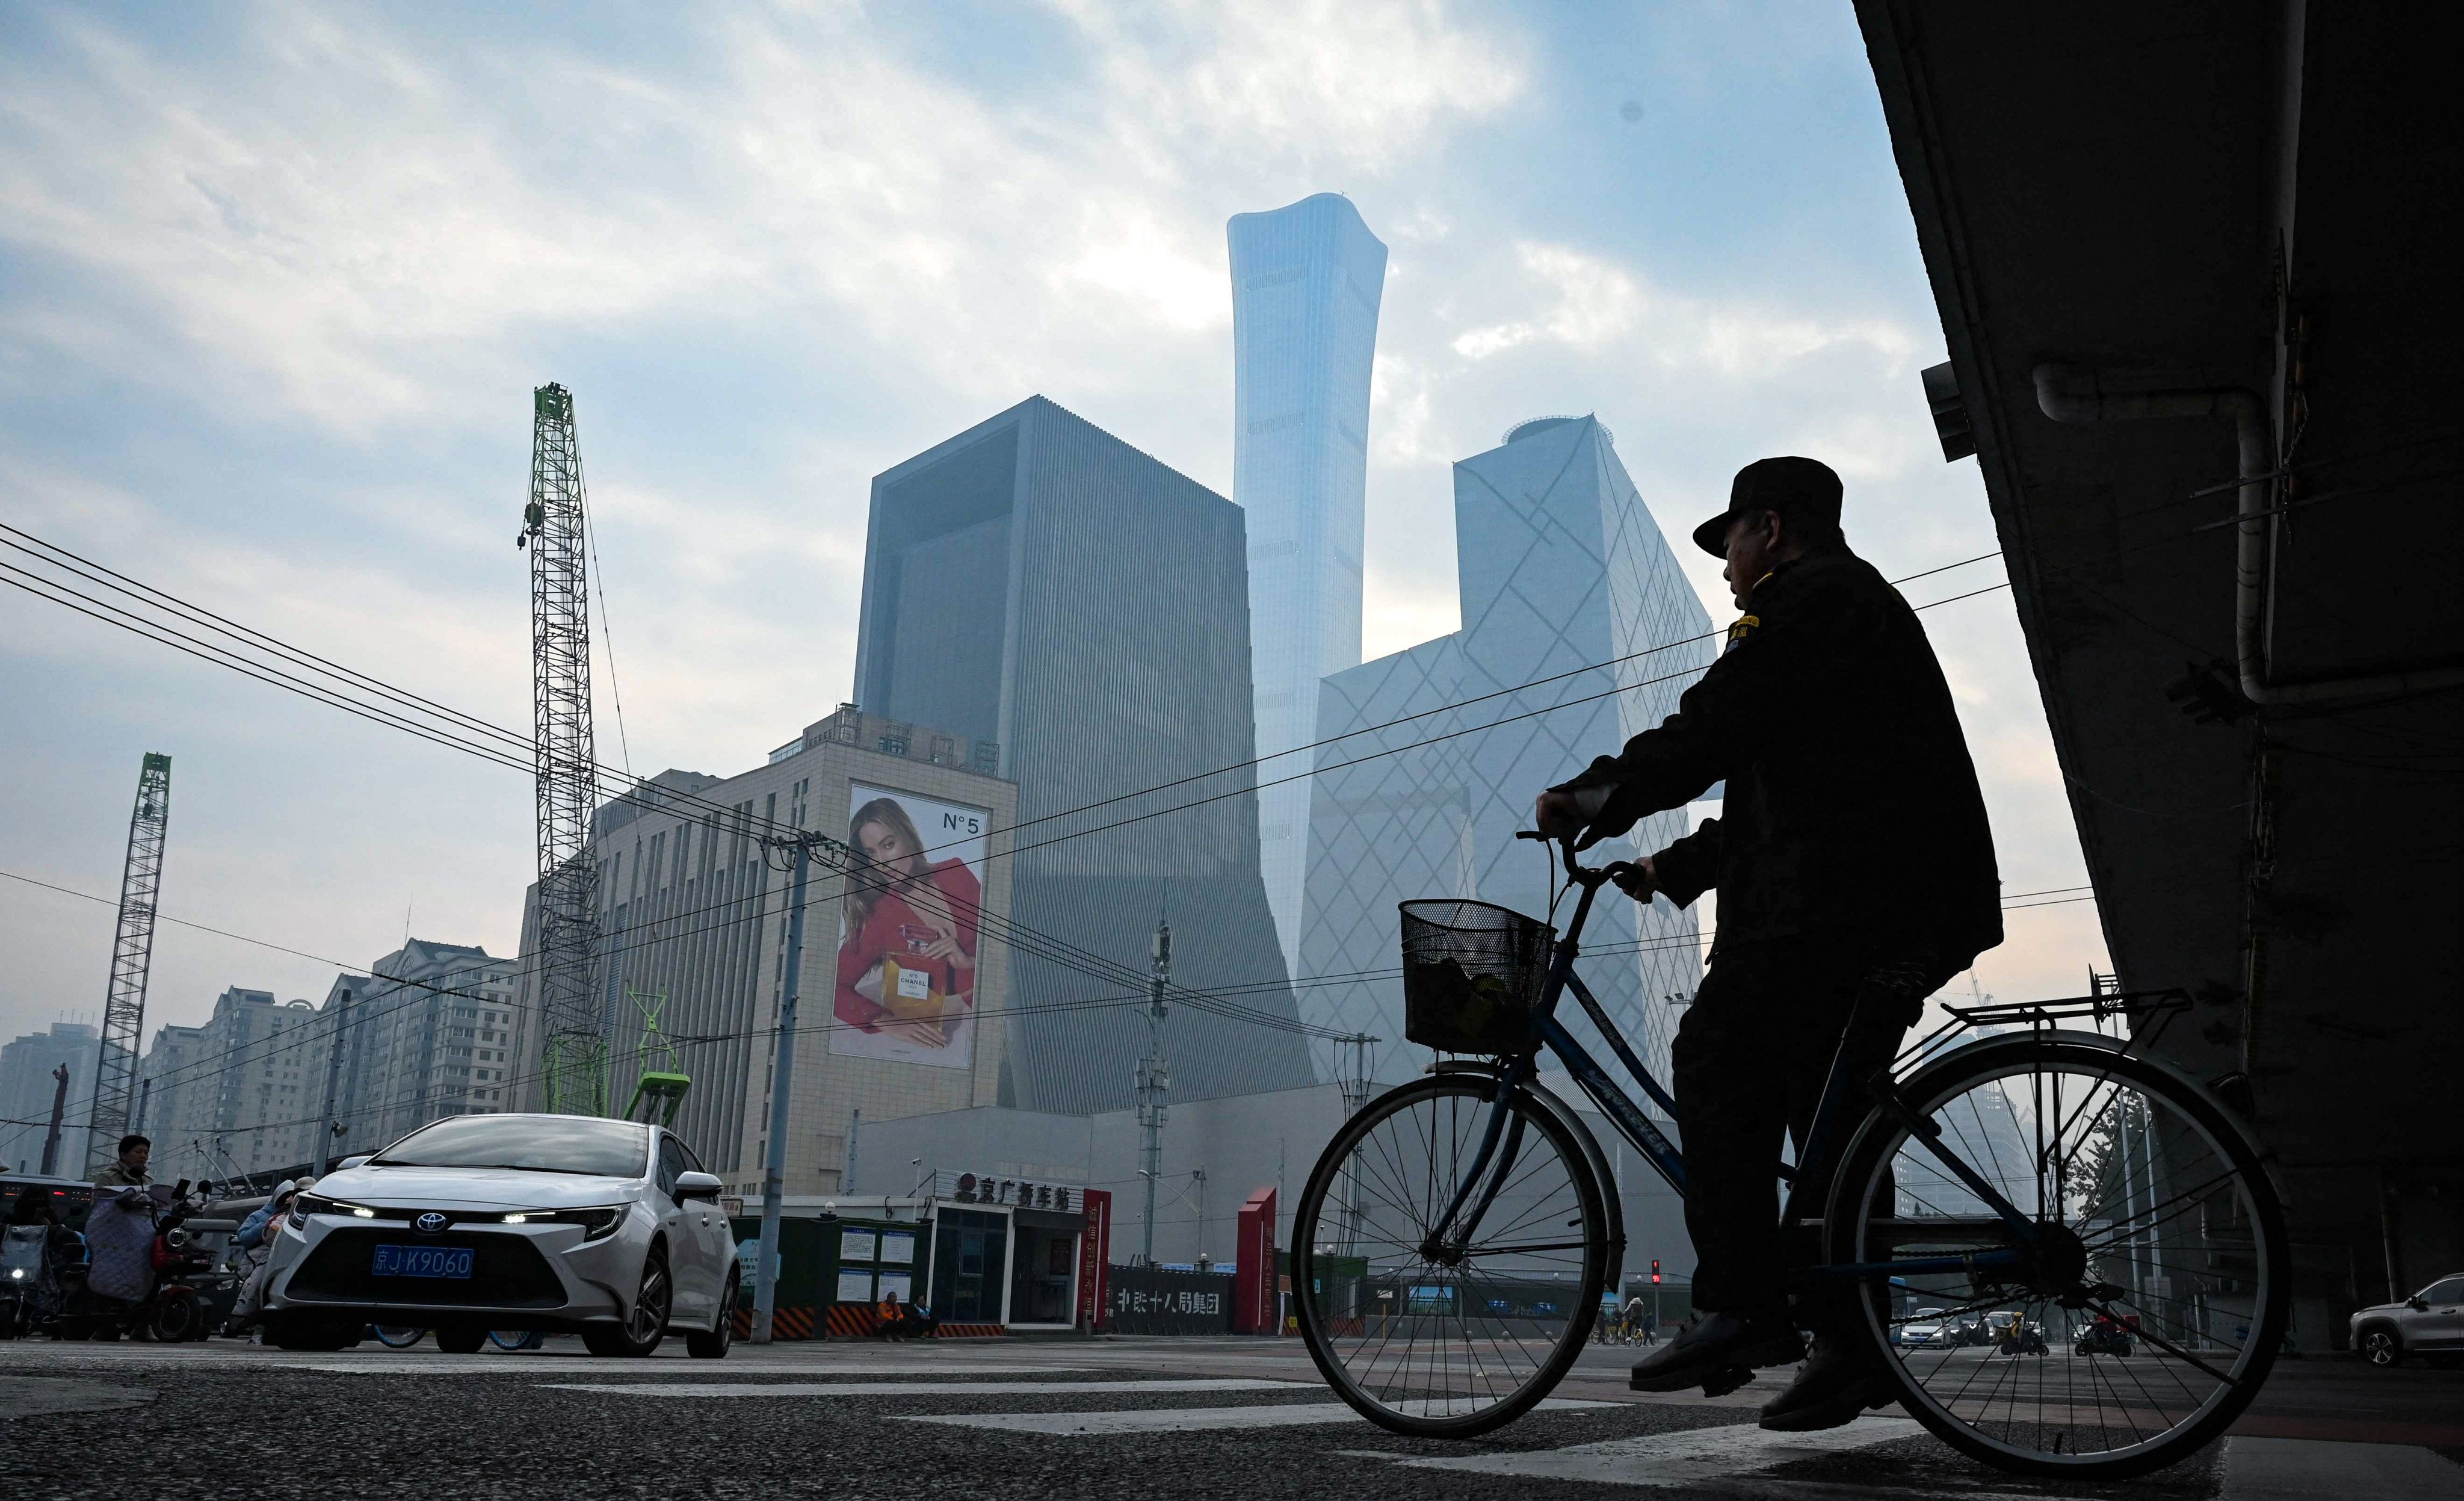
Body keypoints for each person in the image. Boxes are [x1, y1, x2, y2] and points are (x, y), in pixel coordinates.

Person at [1534, 456, 2000, 1433]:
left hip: (1844, 906)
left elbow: (1717, 727)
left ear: (1774, 530)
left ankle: (1742, 1303)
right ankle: (1851, 1345)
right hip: (1888, 894)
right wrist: (1675, 868)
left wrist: (1596, 796)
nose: (1727, 566)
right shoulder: (1847, 612)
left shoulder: (1815, 603)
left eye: (1734, 541)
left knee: (1715, 1055)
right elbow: (1783, 792)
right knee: (1823, 1126)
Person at [835, 797, 983, 1051]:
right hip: (942, 1040)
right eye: (870, 854)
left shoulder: (955, 872)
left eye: (888, 845)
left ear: (908, 837)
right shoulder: (878, 918)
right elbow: (831, 987)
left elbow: (1009, 953)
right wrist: (885, 1022)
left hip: (991, 1021)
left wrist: (969, 963)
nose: (881, 861)